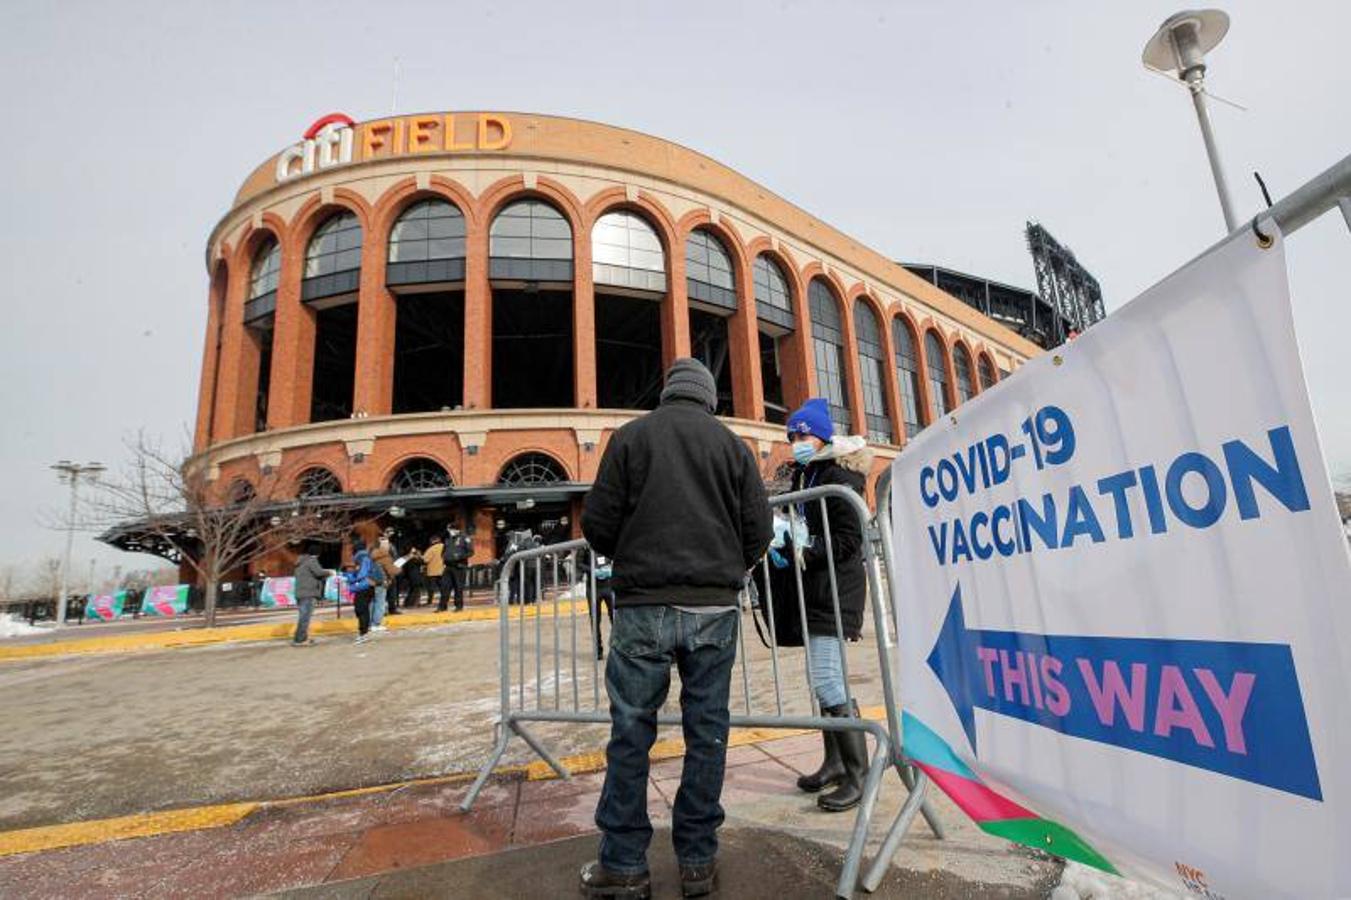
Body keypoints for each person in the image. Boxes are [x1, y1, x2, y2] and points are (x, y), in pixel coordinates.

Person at [578, 357, 772, 900]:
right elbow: (760, 528)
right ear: (709, 397)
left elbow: (596, 523)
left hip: (642, 605)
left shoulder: (630, 439)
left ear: (667, 394)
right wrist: (724, 567)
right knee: (706, 734)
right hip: (713, 609)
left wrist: (635, 556)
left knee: (631, 735)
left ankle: (623, 865)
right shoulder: (732, 447)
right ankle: (696, 862)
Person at [778, 398, 871, 813]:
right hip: (816, 590)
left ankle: (859, 773)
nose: (797, 441)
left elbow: (850, 540)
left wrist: (807, 549)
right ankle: (835, 763)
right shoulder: (807, 474)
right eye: (792, 436)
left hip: (837, 590)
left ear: (822, 435)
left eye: (803, 434)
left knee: (830, 681)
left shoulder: (838, 475)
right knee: (822, 682)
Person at [291, 544, 333, 646]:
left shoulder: (300, 562)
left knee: (303, 616)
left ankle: (300, 637)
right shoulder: (312, 561)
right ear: (318, 553)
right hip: (308, 592)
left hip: (300, 592)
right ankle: (300, 640)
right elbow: (318, 572)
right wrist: (329, 572)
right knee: (305, 617)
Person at [343, 537, 378, 644]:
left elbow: (362, 574)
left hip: (363, 587)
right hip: (367, 587)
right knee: (363, 610)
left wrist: (350, 577)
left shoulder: (362, 558)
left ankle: (363, 633)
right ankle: (363, 632)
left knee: (361, 610)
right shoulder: (365, 557)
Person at [370, 535, 398, 628]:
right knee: (380, 602)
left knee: (373, 602)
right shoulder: (385, 556)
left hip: (372, 581)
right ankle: (376, 623)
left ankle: (370, 623)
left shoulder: (372, 553)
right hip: (382, 582)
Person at [446, 524, 472, 611]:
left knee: (458, 587)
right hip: (448, 566)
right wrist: (444, 557)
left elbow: (471, 552)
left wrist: (460, 556)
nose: (450, 531)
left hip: (459, 566)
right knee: (445, 586)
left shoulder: (464, 538)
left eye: (451, 529)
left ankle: (458, 606)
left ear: (456, 529)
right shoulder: (448, 539)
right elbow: (445, 550)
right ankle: (442, 606)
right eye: (449, 530)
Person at [424, 533, 449, 611]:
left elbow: (425, 559)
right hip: (443, 570)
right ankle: (444, 602)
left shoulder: (431, 549)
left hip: (432, 571)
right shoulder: (445, 547)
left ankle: (430, 601)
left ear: (433, 541)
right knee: (443, 588)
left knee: (431, 588)